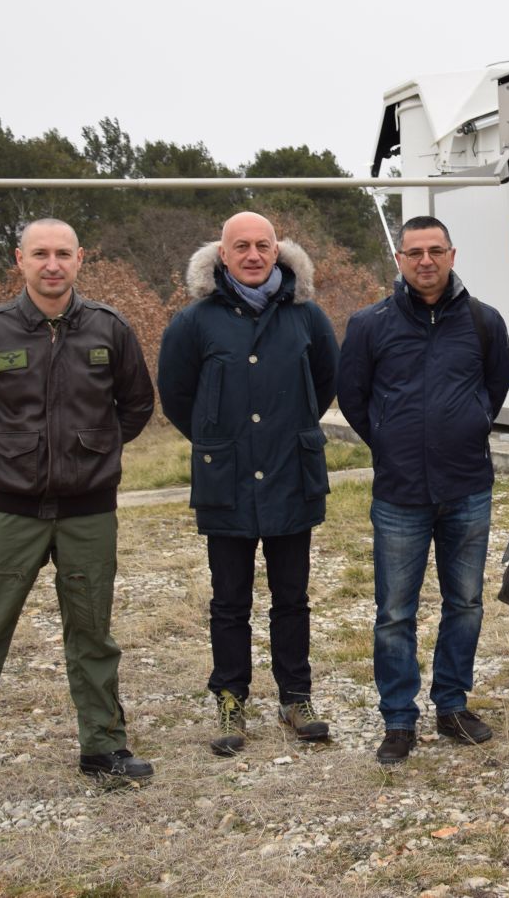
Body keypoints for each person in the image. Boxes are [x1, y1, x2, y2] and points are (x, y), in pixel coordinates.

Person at [0, 218, 155, 800]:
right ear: (19, 261)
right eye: (40, 254)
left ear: (80, 260)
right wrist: (16, 459)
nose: (52, 265)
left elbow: (135, 405)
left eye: (63, 255)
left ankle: (102, 746)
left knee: (92, 633)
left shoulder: (110, 328)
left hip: (88, 511)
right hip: (13, 511)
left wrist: (90, 456)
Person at [157, 212, 339, 755]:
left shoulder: (308, 317)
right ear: (222, 254)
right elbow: (177, 396)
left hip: (292, 473)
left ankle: (295, 696)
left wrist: (290, 431)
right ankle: (231, 698)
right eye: (242, 247)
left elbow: (325, 382)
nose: (254, 255)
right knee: (229, 600)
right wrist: (219, 439)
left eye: (263, 245)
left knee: (292, 597)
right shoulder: (195, 322)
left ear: (278, 250)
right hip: (226, 479)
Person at [338, 216, 509, 763]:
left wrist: (472, 421)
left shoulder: (484, 322)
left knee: (465, 603)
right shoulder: (370, 324)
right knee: (394, 612)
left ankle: (453, 705)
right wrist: (389, 441)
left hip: (467, 488)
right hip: (399, 493)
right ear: (400, 260)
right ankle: (398, 719)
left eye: (436, 251)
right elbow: (353, 396)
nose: (426, 261)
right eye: (415, 252)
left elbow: (495, 386)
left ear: (452, 254)